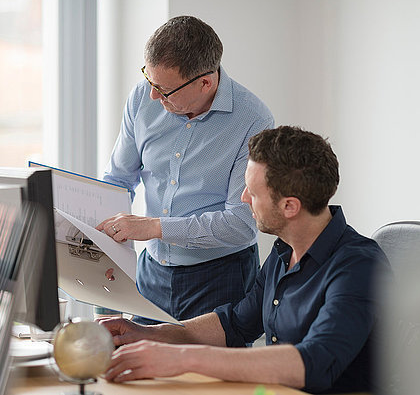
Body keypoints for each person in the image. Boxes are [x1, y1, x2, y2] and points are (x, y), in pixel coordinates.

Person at [100, 126, 391, 394]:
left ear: (290, 206)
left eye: (252, 192)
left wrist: (183, 358)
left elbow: (315, 363)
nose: (243, 198)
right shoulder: (284, 252)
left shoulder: (359, 266)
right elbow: (235, 324)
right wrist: (145, 334)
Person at [96, 15, 274, 323]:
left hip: (221, 277)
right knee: (139, 368)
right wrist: (99, 244)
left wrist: (154, 227)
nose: (153, 95)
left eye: (164, 90)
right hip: (150, 273)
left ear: (206, 82)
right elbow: (117, 180)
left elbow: (241, 224)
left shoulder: (253, 120)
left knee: (214, 373)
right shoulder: (142, 97)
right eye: (150, 81)